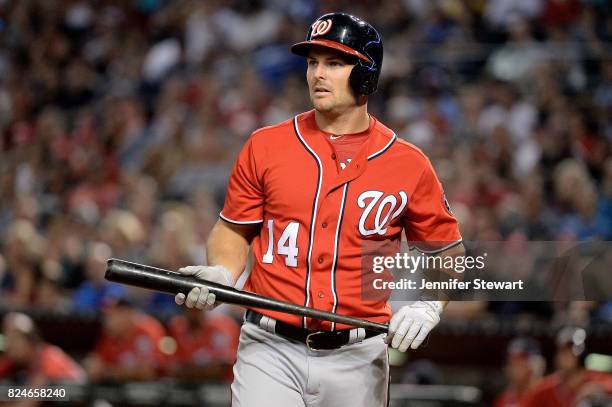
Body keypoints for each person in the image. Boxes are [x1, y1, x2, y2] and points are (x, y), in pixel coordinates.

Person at [175, 12, 464, 406]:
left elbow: (449, 255)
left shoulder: (409, 164)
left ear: (366, 75)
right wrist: (224, 271)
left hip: (359, 356)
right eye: (313, 62)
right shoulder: (266, 145)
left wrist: (431, 305)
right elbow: (234, 228)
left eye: (334, 63)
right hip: (269, 347)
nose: (317, 74)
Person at [522, 327, 612, 407]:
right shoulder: (546, 389)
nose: (565, 359)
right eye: (563, 353)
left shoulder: (594, 379)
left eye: (570, 354)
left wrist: (598, 388)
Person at [83, 297, 166, 382]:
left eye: (111, 315)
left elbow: (148, 372)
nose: (106, 321)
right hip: (122, 388)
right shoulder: (112, 335)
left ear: (126, 313)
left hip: (151, 387)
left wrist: (109, 371)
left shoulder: (148, 329)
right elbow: (94, 366)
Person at [0, 312, 85, 385]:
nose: (9, 345)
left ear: (30, 340)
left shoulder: (49, 356)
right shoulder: (12, 360)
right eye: (7, 338)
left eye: (15, 339)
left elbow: (79, 384)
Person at [494, 337, 545, 407]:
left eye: (520, 362)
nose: (515, 368)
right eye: (511, 363)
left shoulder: (547, 394)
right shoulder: (504, 399)